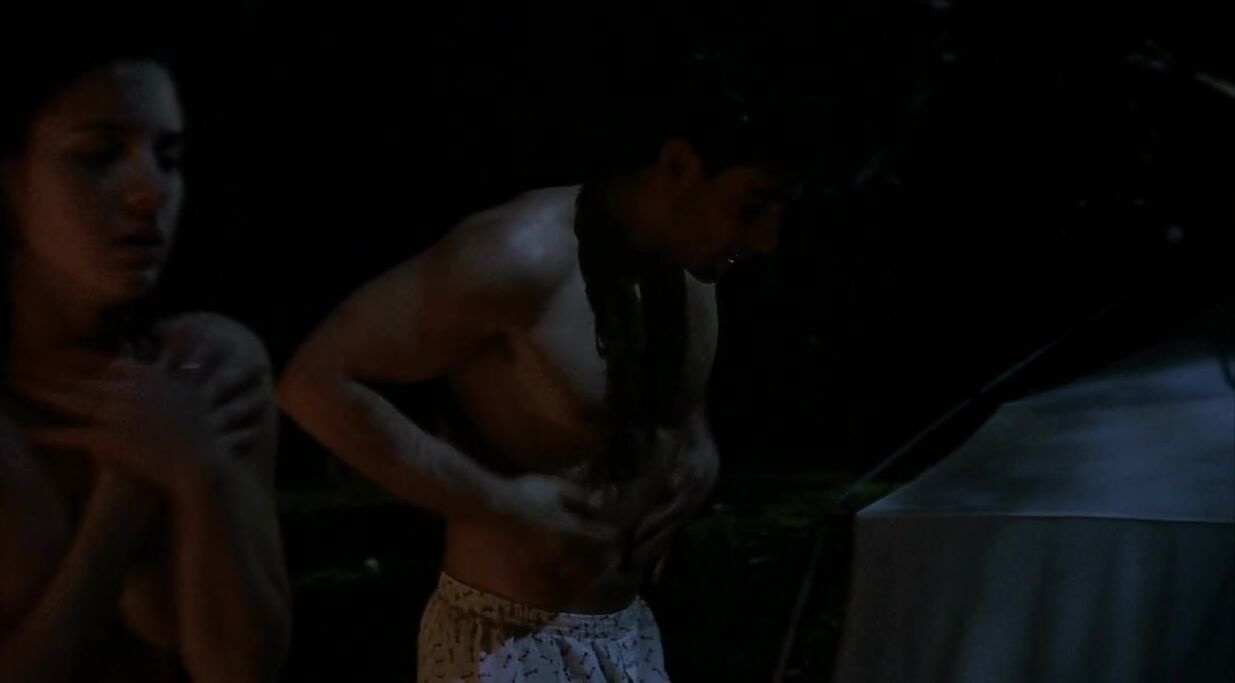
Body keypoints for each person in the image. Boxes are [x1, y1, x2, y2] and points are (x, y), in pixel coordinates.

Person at [278, 47, 809, 681]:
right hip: (505, 645)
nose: (766, 239)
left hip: (630, 633)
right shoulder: (515, 258)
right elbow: (312, 383)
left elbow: (656, 391)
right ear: (678, 165)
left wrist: (699, 445)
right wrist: (498, 502)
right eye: (753, 205)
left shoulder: (692, 261)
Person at [0, 17, 291, 682]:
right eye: (99, 155)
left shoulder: (208, 365)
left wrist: (201, 474)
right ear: (11, 182)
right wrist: (123, 498)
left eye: (169, 157)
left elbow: (241, 670)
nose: (151, 190)